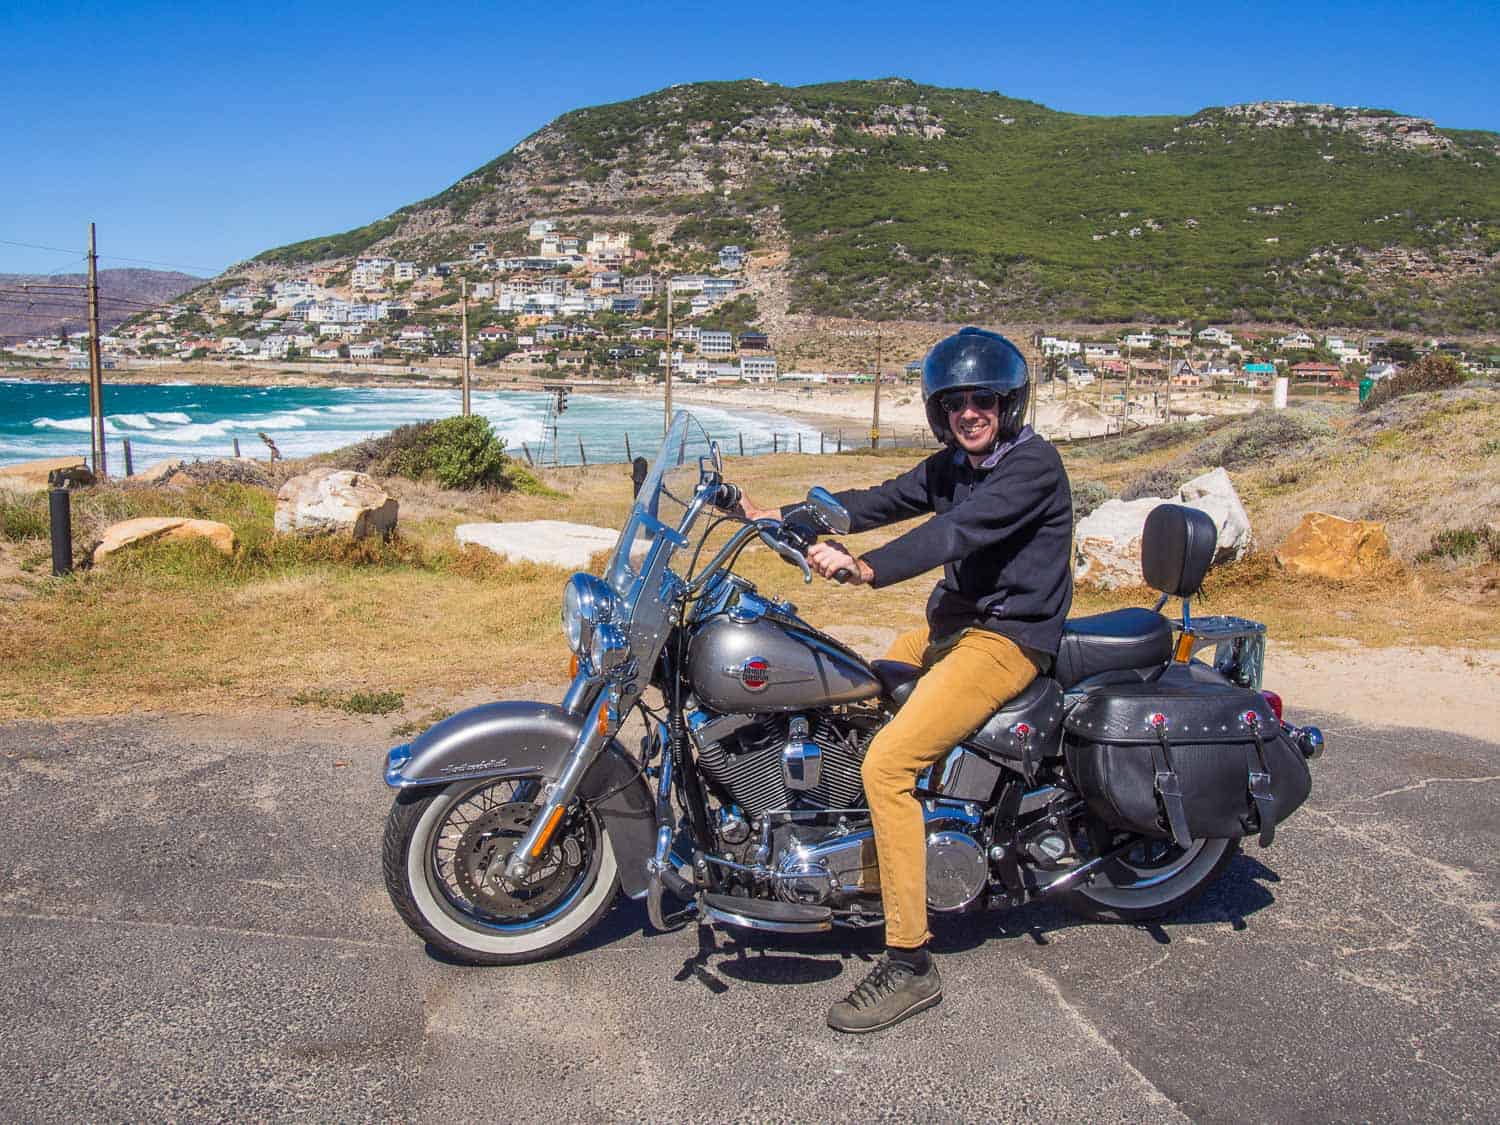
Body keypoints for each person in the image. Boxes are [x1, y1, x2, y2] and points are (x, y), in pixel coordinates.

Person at [735, 327, 1074, 1033]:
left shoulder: (1032, 466)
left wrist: (865, 567)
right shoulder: (954, 463)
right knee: (854, 693)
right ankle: (864, 850)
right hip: (951, 629)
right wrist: (788, 515)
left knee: (888, 763)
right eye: (956, 402)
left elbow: (954, 534)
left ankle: (911, 960)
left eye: (985, 400)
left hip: (1006, 640)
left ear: (1010, 403)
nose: (970, 412)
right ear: (938, 409)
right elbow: (882, 499)